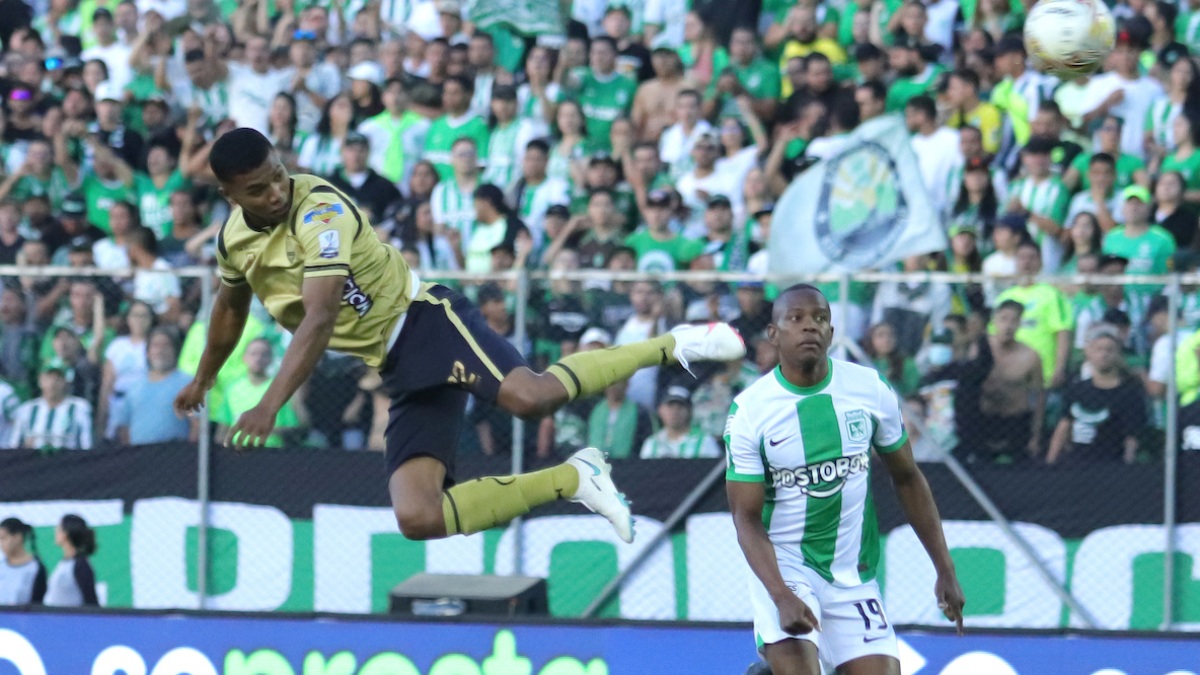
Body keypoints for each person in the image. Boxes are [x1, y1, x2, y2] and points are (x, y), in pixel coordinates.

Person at [175, 128, 746, 545]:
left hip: (426, 322)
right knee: (417, 517)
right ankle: (575, 478)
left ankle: (675, 343)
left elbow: (320, 317)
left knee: (531, 397)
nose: (276, 192)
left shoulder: (318, 209)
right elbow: (229, 306)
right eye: (258, 189)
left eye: (278, 175)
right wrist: (203, 377)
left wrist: (269, 403)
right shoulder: (233, 242)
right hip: (397, 366)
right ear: (229, 195)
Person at [726, 284, 964, 675]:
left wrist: (945, 568)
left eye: (820, 319)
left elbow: (907, 478)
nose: (810, 328)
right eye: (796, 319)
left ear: (832, 334)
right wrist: (780, 594)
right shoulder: (750, 412)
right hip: (786, 569)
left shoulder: (869, 389)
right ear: (773, 334)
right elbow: (746, 518)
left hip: (852, 575)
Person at [1047, 325, 1148, 466]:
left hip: (1111, 465)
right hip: (1075, 464)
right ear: (1088, 352)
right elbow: (1064, 425)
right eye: (1098, 349)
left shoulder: (1129, 393)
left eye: (1109, 350)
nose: (1103, 354)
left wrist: (1127, 466)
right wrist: (1051, 461)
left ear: (1118, 353)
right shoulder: (1077, 389)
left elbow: (1131, 437)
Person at [979, 300, 1044, 463]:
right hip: (983, 421)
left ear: (1020, 323)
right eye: (1003, 319)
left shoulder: (1031, 356)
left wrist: (1035, 435)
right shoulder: (980, 349)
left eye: (1014, 320)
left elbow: (1039, 397)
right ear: (994, 320)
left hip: (1015, 423)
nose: (1008, 325)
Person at [214, 338, 302, 448]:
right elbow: (223, 427)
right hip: (238, 451)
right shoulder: (232, 389)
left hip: (271, 452)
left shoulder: (279, 389)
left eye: (264, 354)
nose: (258, 358)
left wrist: (265, 430)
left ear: (270, 359)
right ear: (244, 357)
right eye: (253, 354)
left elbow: (292, 428)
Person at [114, 327, 193, 445]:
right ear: (147, 353)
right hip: (140, 457)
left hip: (176, 456)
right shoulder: (134, 387)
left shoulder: (188, 384)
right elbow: (124, 428)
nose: (160, 351)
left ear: (175, 350)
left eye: (166, 346)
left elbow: (197, 425)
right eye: (156, 346)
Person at [9, 363, 93, 451]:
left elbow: (87, 445)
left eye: (58, 379)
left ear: (66, 382)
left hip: (67, 461)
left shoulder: (79, 408)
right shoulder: (26, 410)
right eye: (48, 378)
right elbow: (14, 445)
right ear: (40, 381)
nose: (52, 383)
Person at [639, 384, 720, 459]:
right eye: (670, 406)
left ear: (690, 411)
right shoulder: (651, 443)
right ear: (660, 410)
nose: (675, 411)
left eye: (680, 407)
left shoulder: (705, 441)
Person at [44, 514, 98, 607]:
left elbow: (91, 602)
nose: (55, 531)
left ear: (66, 534)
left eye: (59, 529)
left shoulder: (80, 565)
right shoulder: (64, 563)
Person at [0, 517, 46, 605]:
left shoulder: (35, 568)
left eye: (3, 538)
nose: (1, 544)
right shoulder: (1, 567)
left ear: (18, 538)